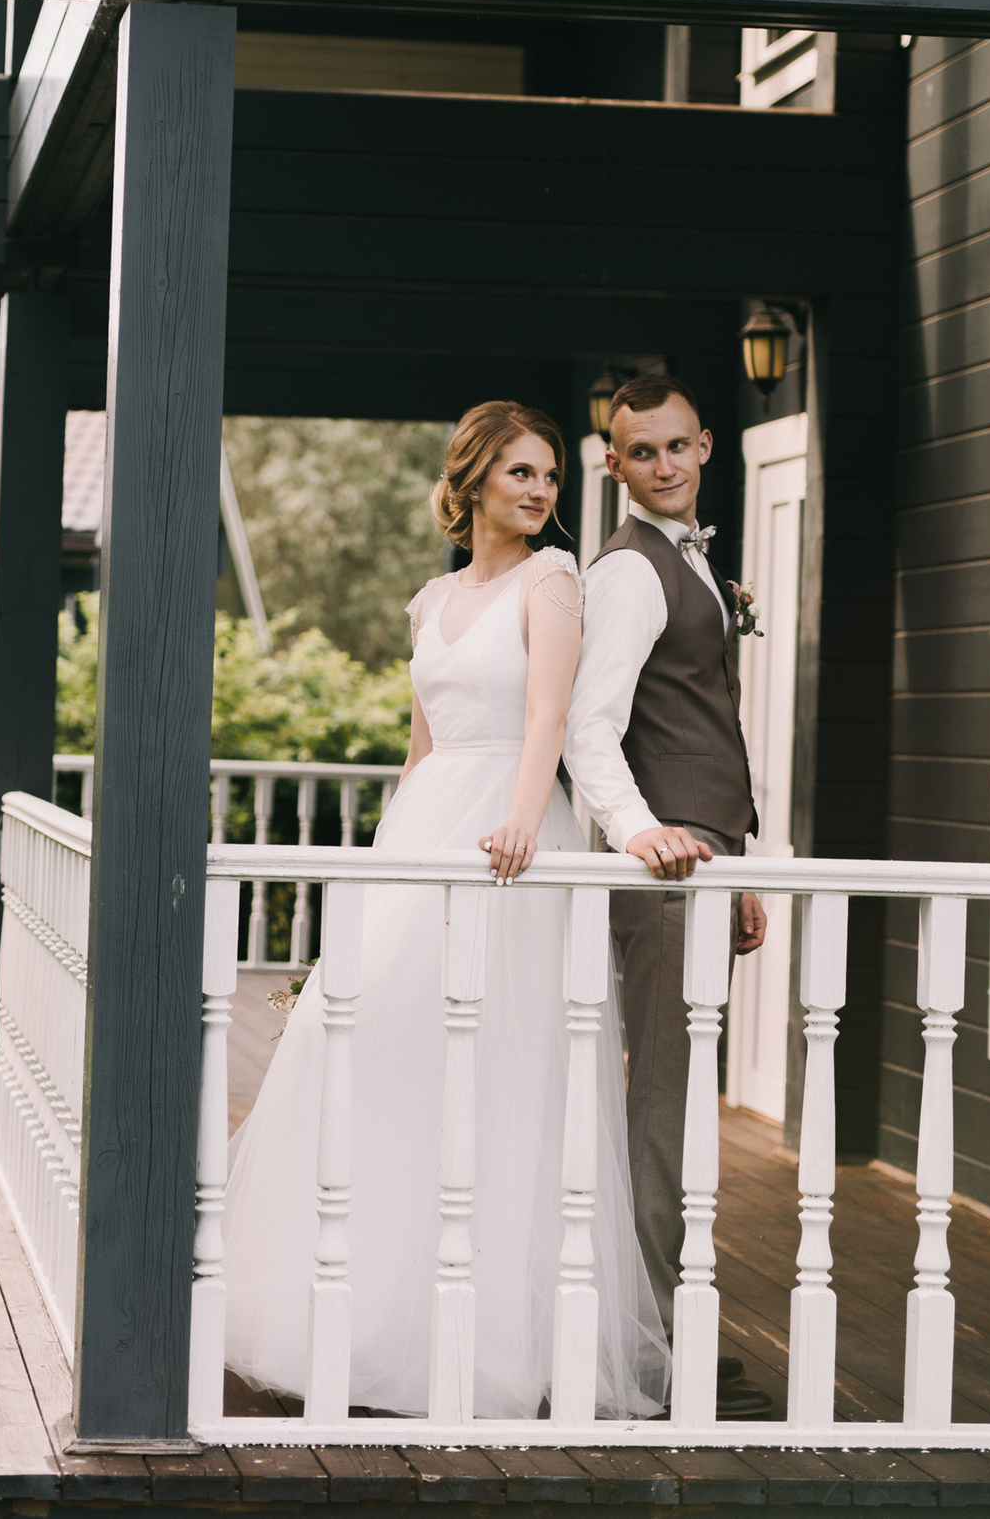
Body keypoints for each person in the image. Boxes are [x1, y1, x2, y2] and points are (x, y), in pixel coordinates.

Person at [223, 401, 668, 1420]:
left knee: (501, 1075)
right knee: (384, 1053)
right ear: (469, 481)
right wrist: (386, 856)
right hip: (428, 825)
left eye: (550, 476)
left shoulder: (550, 583)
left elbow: (548, 718)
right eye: (520, 472)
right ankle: (368, 1311)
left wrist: (519, 824)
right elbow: (421, 746)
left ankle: (491, 1341)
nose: (541, 491)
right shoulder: (428, 602)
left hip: (511, 834)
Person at [562, 366, 773, 1420]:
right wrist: (644, 834)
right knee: (661, 1107)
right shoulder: (632, 573)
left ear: (704, 448)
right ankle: (651, 1343)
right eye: (640, 451)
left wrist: (736, 860)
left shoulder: (688, 564)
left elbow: (704, 722)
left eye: (678, 446)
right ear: (615, 464)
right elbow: (588, 726)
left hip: (703, 866)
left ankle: (659, 1327)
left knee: (676, 1107)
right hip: (661, 877)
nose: (663, 465)